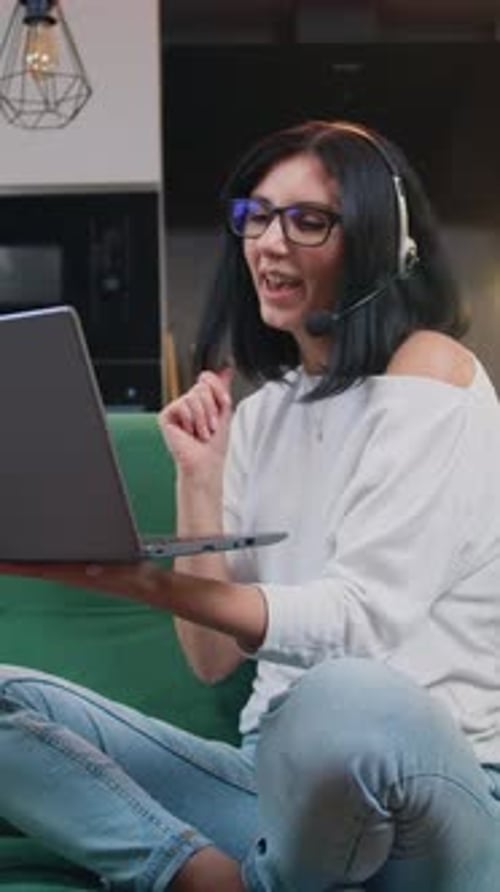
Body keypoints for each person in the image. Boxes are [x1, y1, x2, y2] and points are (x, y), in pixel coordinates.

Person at [0, 118, 499, 892]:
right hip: (268, 789)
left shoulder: (431, 371)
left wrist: (143, 581)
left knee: (346, 693)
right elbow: (212, 661)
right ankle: (198, 876)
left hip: (431, 791)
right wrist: (200, 476)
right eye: (257, 216)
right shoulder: (263, 414)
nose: (269, 242)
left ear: (381, 245)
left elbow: (360, 622)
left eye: (308, 221)